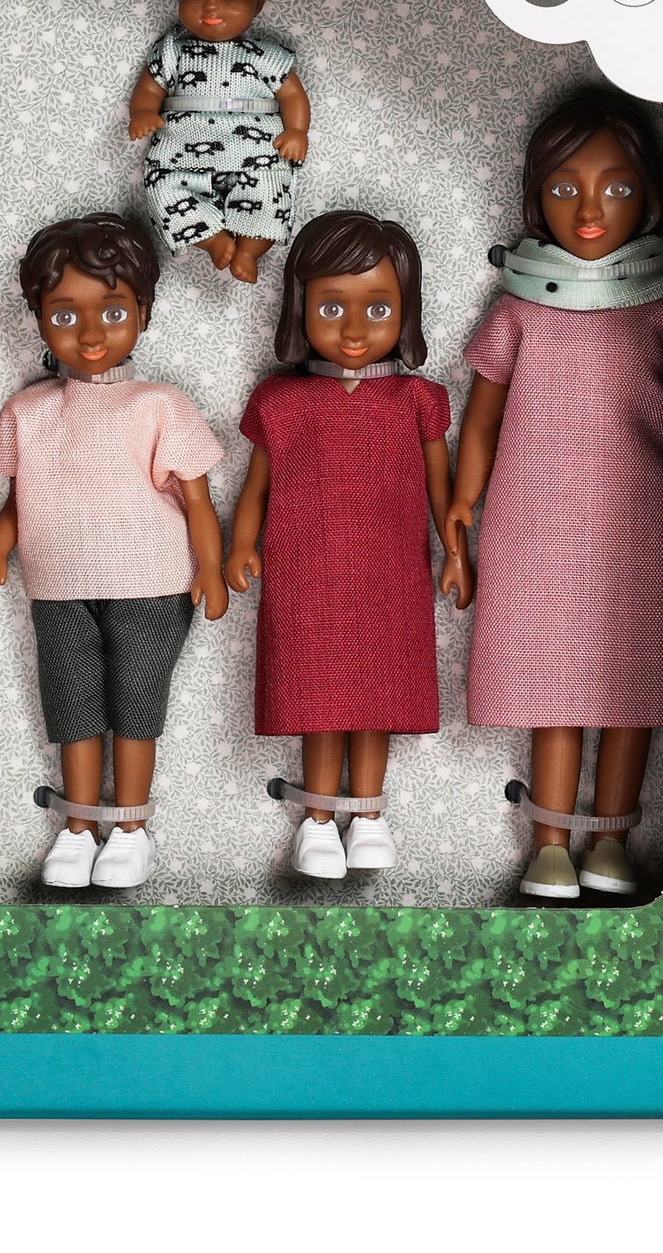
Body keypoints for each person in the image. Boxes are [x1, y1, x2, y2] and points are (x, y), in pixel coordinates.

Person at [444, 96, 663, 901]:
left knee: (630, 688)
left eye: (617, 188)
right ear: (535, 198)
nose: (589, 210)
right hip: (535, 520)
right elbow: (482, 414)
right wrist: (462, 500)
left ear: (649, 200)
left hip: (639, 519)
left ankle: (611, 840)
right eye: (565, 188)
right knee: (555, 685)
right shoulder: (520, 309)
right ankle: (550, 843)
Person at [0, 213, 227, 889]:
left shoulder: (160, 404)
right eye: (65, 316)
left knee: (136, 702)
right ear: (38, 319)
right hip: (58, 585)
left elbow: (198, 500)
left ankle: (132, 828)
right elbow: (19, 497)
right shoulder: (28, 411)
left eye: (112, 312)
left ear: (142, 311)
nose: (90, 335)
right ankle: (79, 826)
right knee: (73, 704)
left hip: (152, 582)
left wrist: (211, 566)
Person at [226, 210, 470, 879]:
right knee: (318, 696)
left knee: (377, 698)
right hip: (305, 571)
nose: (355, 328)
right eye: (332, 307)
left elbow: (443, 491)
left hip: (390, 575)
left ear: (405, 311)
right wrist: (241, 545)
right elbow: (257, 485)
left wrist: (455, 554)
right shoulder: (282, 401)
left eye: (378, 307)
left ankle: (368, 815)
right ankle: (316, 819)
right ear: (300, 308)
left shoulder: (417, 399)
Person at [128, 0, 311, 283]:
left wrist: (297, 131)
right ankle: (212, 240)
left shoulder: (264, 55)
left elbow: (291, 95)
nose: (210, 6)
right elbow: (150, 87)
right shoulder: (173, 51)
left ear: (259, 1)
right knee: (161, 189)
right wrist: (143, 112)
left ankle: (249, 250)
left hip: (256, 156)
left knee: (269, 194)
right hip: (181, 155)